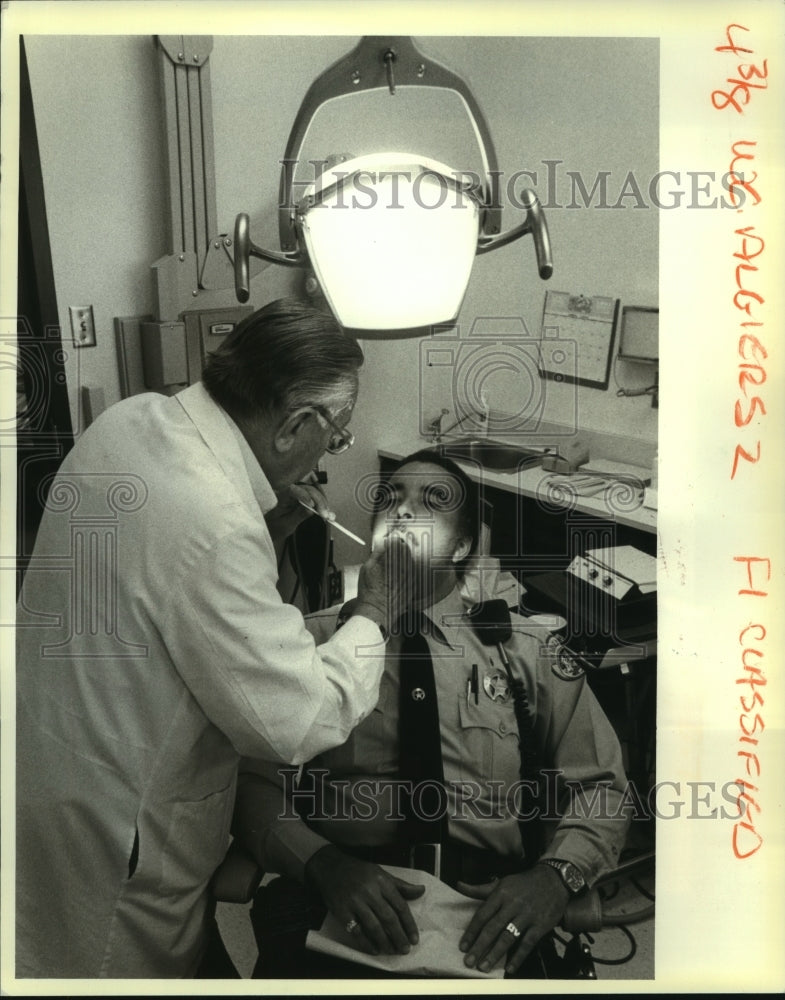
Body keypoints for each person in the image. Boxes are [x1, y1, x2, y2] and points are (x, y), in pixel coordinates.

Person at [15, 298, 413, 978]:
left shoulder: (132, 419)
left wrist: (266, 532)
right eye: (337, 436)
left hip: (53, 764)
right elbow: (295, 723)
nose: (333, 450)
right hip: (125, 827)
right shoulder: (219, 523)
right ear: (295, 426)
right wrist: (374, 607)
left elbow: (167, 583)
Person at [233, 449, 631, 979]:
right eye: (391, 499)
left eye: (432, 502)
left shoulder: (525, 650)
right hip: (340, 901)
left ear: (463, 545)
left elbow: (603, 784)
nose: (402, 510)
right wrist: (322, 863)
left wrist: (556, 878)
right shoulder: (311, 641)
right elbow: (251, 782)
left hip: (486, 916)